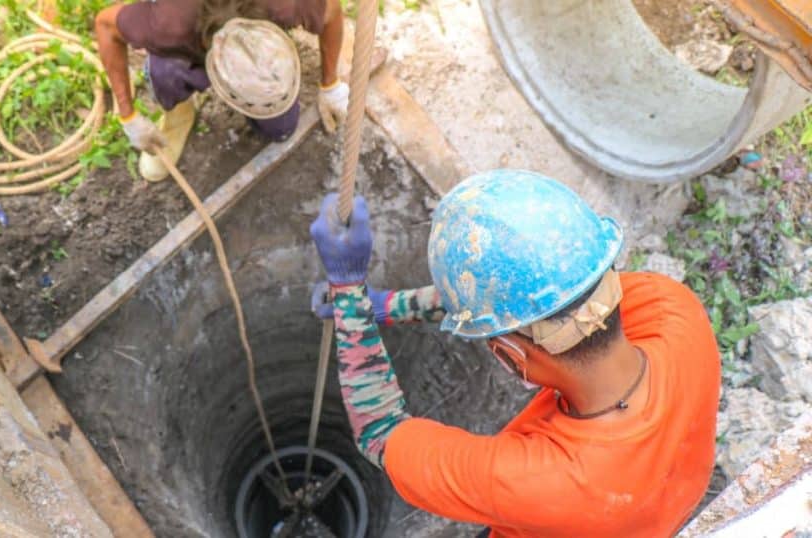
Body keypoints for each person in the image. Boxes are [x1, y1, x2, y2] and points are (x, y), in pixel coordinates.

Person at [309, 169, 721, 537]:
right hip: (658, 508)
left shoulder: (534, 481)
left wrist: (349, 291)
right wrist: (382, 308)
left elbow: (379, 431)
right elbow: (533, 297)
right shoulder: (674, 310)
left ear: (509, 356)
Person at [95, 0, 347, 182]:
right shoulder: (167, 25)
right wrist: (128, 117)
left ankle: (263, 90)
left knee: (280, 128)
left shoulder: (286, 4)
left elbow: (332, 11)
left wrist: (330, 85)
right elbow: (105, 25)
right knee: (166, 71)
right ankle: (179, 111)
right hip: (182, 23)